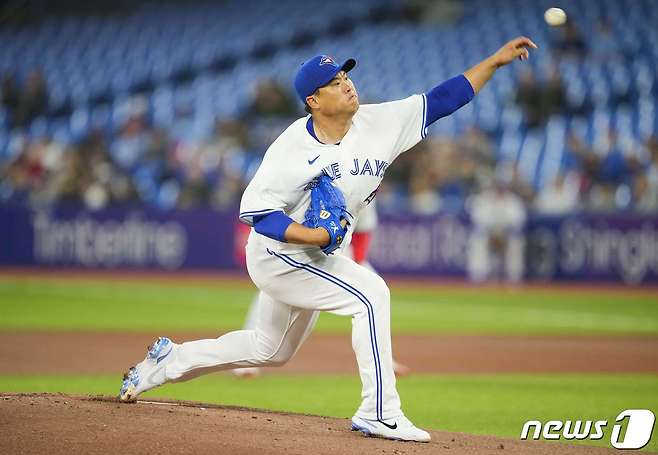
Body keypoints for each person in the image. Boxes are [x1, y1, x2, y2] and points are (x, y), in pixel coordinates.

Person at [119, 37, 537, 442]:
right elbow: (257, 213)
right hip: (279, 254)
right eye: (334, 82)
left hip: (313, 255)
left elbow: (444, 99)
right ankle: (380, 413)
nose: (347, 84)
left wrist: (494, 62)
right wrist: (315, 234)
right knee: (371, 293)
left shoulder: (378, 123)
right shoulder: (292, 148)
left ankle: (169, 361)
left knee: (270, 350)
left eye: (345, 76)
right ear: (313, 101)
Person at [232, 201, 411, 378]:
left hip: (339, 253)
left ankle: (384, 362)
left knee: (374, 294)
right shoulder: (315, 179)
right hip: (298, 249)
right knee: (271, 292)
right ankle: (245, 363)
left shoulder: (366, 190)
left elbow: (362, 235)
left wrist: (355, 268)